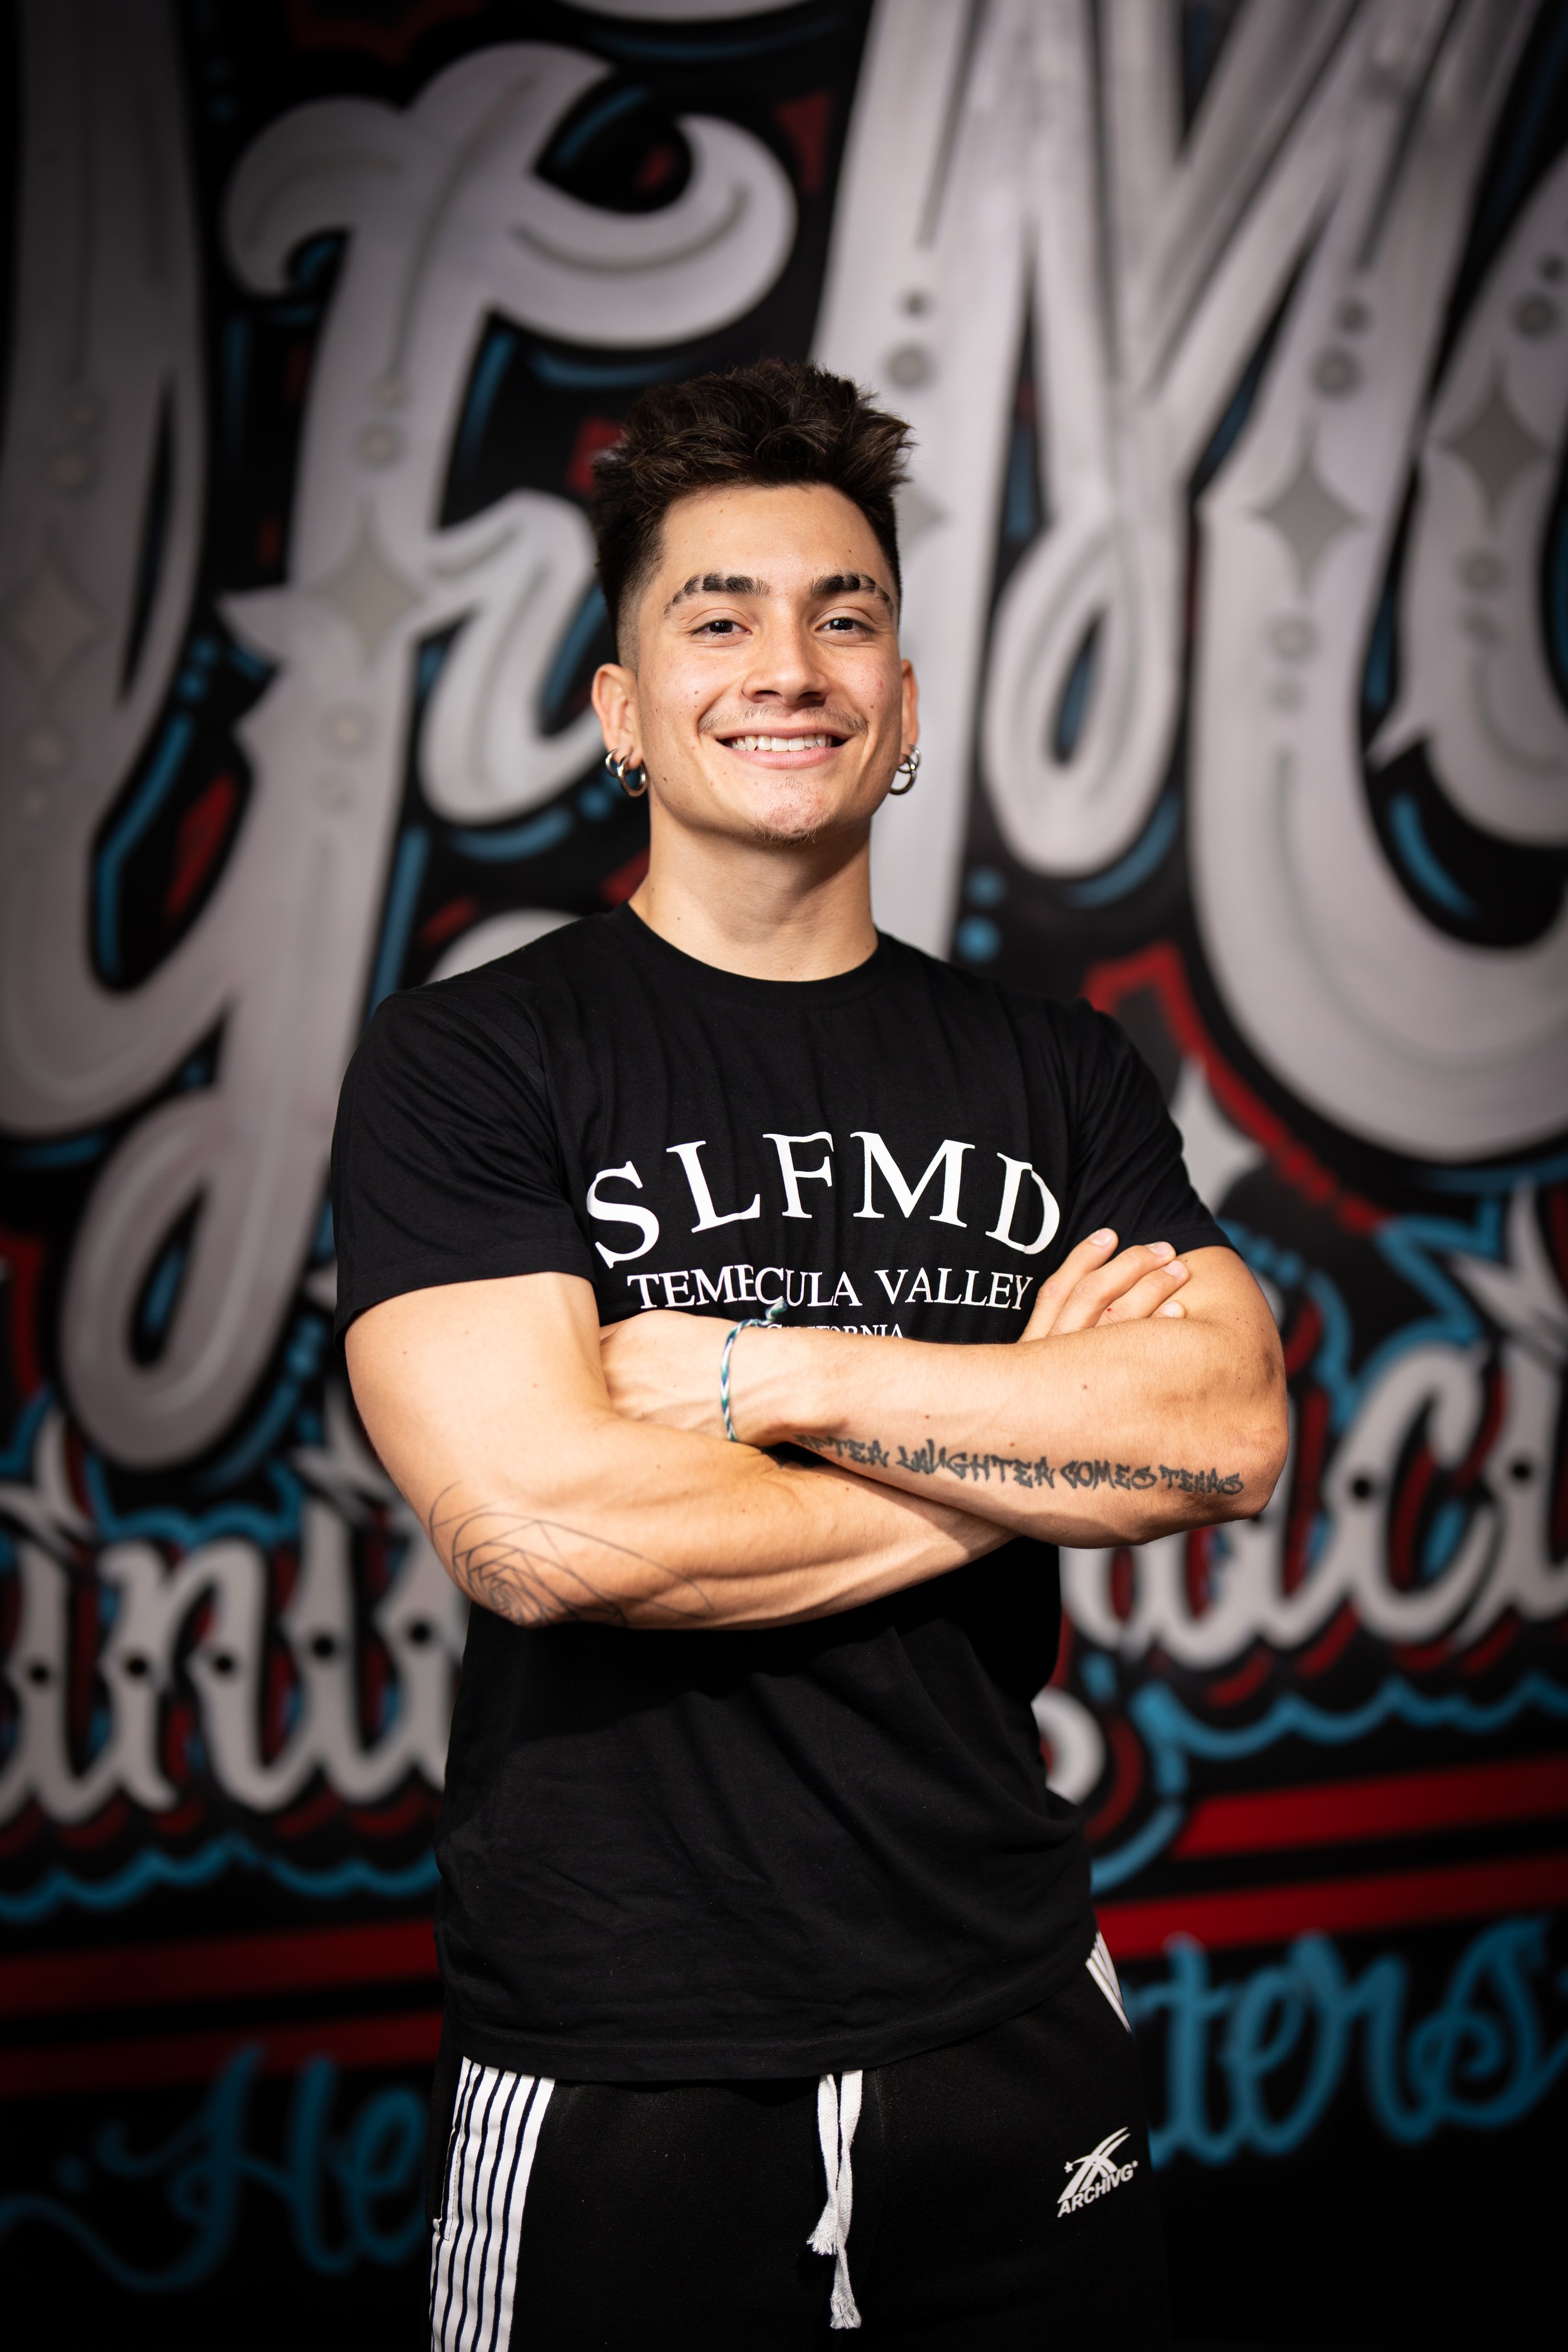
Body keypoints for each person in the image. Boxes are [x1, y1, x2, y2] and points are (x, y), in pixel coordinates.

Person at [332, 360, 1287, 2349]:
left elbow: (1221, 1436)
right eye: (720, 615)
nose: (794, 663)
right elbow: (538, 1530)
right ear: (618, 712)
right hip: (627, 2052)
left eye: (846, 614)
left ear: (908, 708)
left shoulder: (1054, 1069)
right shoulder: (474, 1060)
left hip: (1014, 2006)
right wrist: (1042, 1458)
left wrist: (785, 1376)